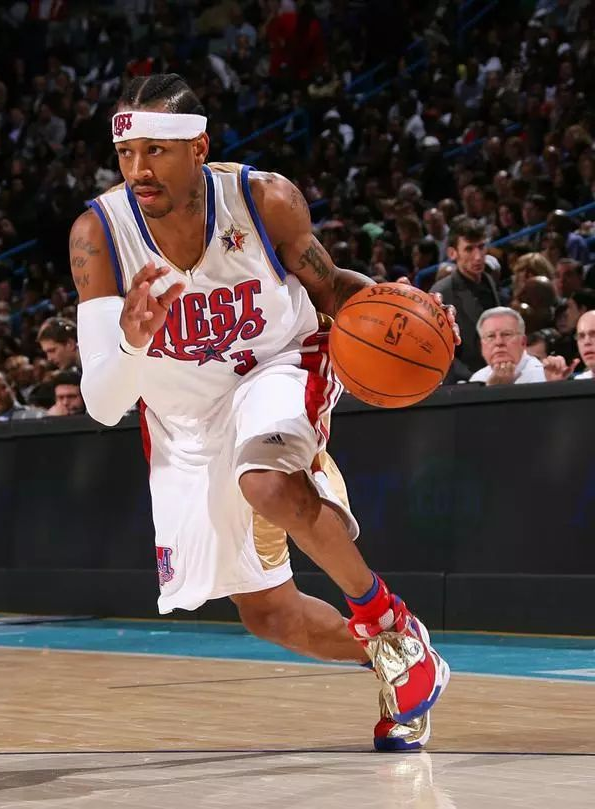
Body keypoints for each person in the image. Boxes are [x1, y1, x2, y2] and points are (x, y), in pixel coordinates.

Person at [70, 74, 459, 752]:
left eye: (157, 151)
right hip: (182, 420)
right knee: (270, 615)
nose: (139, 170)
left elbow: (331, 288)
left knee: (267, 481)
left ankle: (386, 619)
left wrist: (410, 312)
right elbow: (104, 405)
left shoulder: (264, 199)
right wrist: (132, 341)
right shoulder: (98, 236)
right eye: (127, 153)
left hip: (276, 363)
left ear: (199, 149)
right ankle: (403, 657)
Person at [430, 217, 500, 382]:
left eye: (481, 247)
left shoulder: (488, 280)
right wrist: (476, 379)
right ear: (452, 253)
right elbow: (438, 349)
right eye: (469, 249)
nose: (478, 257)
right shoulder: (441, 292)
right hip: (466, 383)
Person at [470, 307, 551, 385]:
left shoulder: (543, 376)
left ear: (523, 342)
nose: (499, 342)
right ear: (482, 345)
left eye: (506, 334)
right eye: (490, 336)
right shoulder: (477, 378)